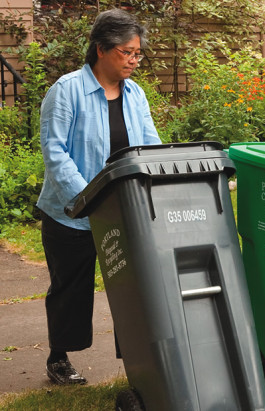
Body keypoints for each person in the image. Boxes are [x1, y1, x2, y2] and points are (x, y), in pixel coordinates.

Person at [37, 8, 161, 385]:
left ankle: (141, 359)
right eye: (128, 52)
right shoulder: (67, 90)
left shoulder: (134, 93)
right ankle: (59, 357)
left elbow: (149, 144)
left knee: (135, 286)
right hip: (71, 213)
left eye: (138, 53)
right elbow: (55, 153)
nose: (135, 60)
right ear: (101, 49)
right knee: (70, 288)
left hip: (124, 211)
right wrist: (88, 200)